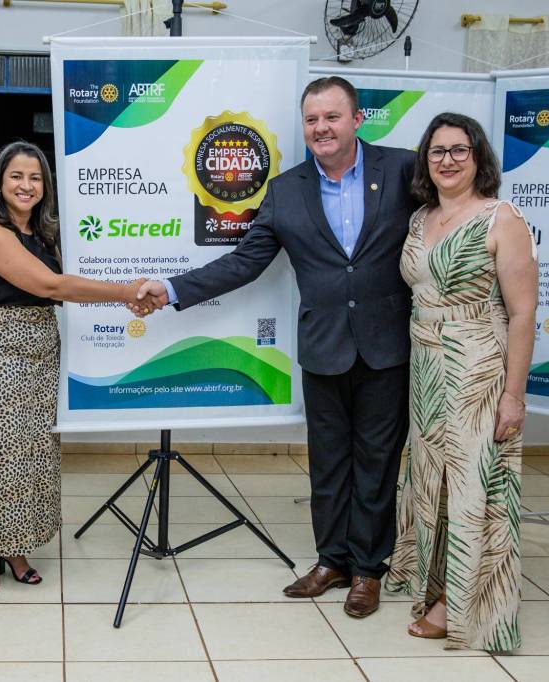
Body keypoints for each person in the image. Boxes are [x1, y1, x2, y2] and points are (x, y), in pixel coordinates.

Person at [133, 76, 418, 618]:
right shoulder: (286, 189)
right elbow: (245, 261)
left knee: (378, 462)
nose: (321, 128)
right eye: (312, 119)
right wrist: (170, 289)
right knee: (327, 463)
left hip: (388, 346)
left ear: (358, 120)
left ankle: (367, 569)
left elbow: (445, 221)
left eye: (332, 117)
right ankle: (331, 561)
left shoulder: (403, 169)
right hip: (323, 347)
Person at [0, 141, 151, 594]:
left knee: (34, 451)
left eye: (35, 178)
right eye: (16, 176)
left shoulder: (45, 233)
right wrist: (126, 292)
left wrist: (133, 295)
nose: (26, 185)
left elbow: (69, 280)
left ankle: (15, 545)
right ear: (0, 181)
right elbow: (51, 285)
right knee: (1, 451)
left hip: (42, 345)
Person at [384, 112, 537, 651]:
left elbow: (523, 313)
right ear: (425, 160)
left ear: (478, 157)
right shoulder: (420, 219)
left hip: (478, 368)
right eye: (437, 151)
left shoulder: (502, 218)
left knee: (473, 485)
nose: (447, 160)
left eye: (458, 150)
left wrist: (513, 396)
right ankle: (435, 585)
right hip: (425, 367)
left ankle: (462, 605)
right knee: (433, 483)